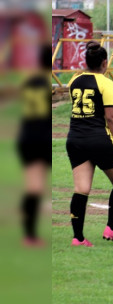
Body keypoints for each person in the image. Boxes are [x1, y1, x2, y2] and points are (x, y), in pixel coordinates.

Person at [65, 41, 113, 246]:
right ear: (104, 62)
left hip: (75, 139)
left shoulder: (74, 81)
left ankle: (78, 238)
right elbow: (111, 118)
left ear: (86, 61)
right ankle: (112, 229)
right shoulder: (106, 83)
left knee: (81, 189)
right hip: (98, 139)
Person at [17, 45, 52, 247]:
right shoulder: (46, 83)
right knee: (35, 186)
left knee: (35, 184)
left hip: (27, 136)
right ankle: (29, 235)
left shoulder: (29, 81)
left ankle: (28, 224)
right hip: (40, 138)